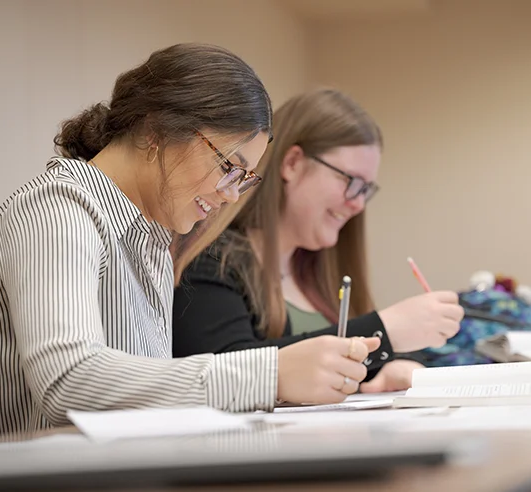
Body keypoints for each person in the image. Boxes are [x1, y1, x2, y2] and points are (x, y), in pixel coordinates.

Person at [0, 45, 378, 441]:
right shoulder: (57, 210)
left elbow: (145, 396)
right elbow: (69, 381)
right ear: (158, 130)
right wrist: (270, 375)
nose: (231, 195)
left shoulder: (152, 237)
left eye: (244, 179)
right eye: (229, 166)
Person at [173, 88, 465, 393]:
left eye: (365, 189)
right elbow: (222, 370)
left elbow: (351, 366)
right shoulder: (210, 258)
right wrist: (386, 329)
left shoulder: (320, 271)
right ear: (293, 164)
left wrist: (397, 364)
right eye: (349, 181)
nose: (358, 204)